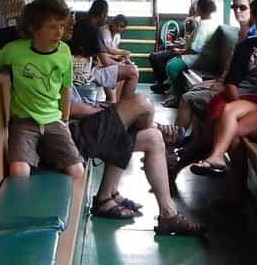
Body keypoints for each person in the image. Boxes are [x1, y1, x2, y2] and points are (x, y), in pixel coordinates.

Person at [187, 0, 257, 176]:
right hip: (250, 100)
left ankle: (212, 160)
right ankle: (211, 159)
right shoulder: (248, 46)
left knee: (227, 132)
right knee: (224, 115)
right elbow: (231, 83)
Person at [66, 90, 205, 236]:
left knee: (153, 138)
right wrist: (108, 112)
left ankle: (167, 215)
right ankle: (158, 127)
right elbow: (65, 109)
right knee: (141, 103)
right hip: (68, 135)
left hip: (81, 123)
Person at [0, 0, 87, 184]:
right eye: (52, 27)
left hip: (53, 120)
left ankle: (43, 152)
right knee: (18, 172)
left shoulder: (64, 52)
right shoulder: (14, 50)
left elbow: (66, 89)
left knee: (77, 171)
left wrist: (65, 120)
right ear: (33, 29)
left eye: (62, 26)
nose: (59, 32)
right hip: (23, 122)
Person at [69, 0, 138, 104]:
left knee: (114, 73)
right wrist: (123, 64)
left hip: (78, 66)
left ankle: (112, 102)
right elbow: (106, 61)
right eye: (106, 16)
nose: (106, 19)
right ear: (102, 14)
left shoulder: (80, 23)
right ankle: (124, 109)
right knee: (133, 72)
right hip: (85, 71)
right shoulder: (94, 29)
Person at [151, 0, 217, 91]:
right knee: (170, 62)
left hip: (198, 58)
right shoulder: (208, 22)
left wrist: (179, 51)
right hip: (200, 56)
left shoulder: (203, 27)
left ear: (200, 8)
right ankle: (171, 90)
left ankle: (177, 95)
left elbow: (195, 49)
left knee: (171, 67)